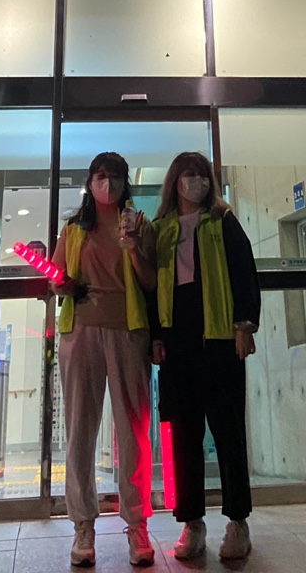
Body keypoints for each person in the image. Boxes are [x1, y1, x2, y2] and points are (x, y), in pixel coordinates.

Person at [152, 152, 260, 562]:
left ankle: (238, 522)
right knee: (184, 436)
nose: (194, 181)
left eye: (201, 174)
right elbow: (151, 288)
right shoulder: (161, 229)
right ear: (174, 181)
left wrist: (244, 325)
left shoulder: (223, 221)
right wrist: (156, 337)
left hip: (219, 340)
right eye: (187, 174)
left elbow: (244, 273)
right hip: (177, 343)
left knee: (229, 431)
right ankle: (192, 523)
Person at [52, 151, 158, 568]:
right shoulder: (73, 229)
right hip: (80, 333)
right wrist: (64, 284)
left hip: (129, 331)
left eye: (115, 176)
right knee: (80, 428)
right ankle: (83, 525)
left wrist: (133, 250)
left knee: (134, 430)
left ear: (125, 181)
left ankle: (137, 524)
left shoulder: (140, 224)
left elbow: (150, 283)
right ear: (89, 181)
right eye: (100, 175)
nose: (107, 183)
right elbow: (56, 280)